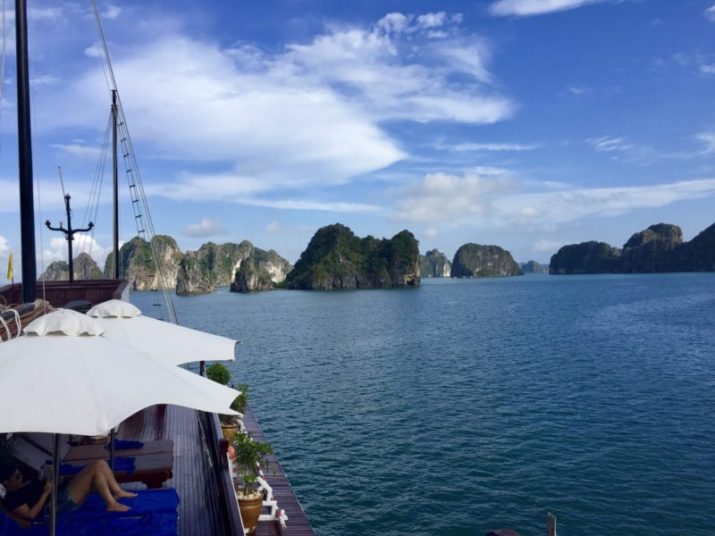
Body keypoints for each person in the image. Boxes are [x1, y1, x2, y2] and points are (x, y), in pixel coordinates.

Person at [0, 459, 136, 520]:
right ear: (6, 482)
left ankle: (117, 492)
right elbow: (31, 515)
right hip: (56, 505)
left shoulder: (24, 482)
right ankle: (111, 504)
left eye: (19, 474)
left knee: (100, 463)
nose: (20, 477)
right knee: (96, 468)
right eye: (16, 477)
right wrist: (46, 493)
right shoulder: (12, 499)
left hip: (61, 491)